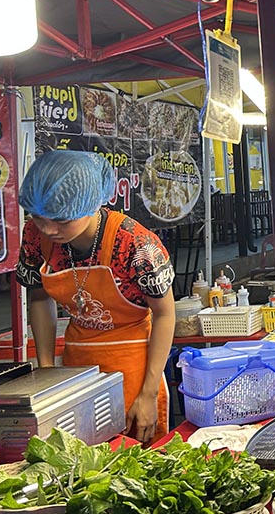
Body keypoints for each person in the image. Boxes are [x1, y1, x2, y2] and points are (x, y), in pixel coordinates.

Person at [15, 151, 176, 443]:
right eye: (39, 218)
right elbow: (39, 298)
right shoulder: (35, 237)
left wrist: (148, 393)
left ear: (91, 204)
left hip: (136, 367)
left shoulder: (136, 244)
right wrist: (48, 371)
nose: (49, 230)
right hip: (77, 366)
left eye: (62, 220)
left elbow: (165, 314)